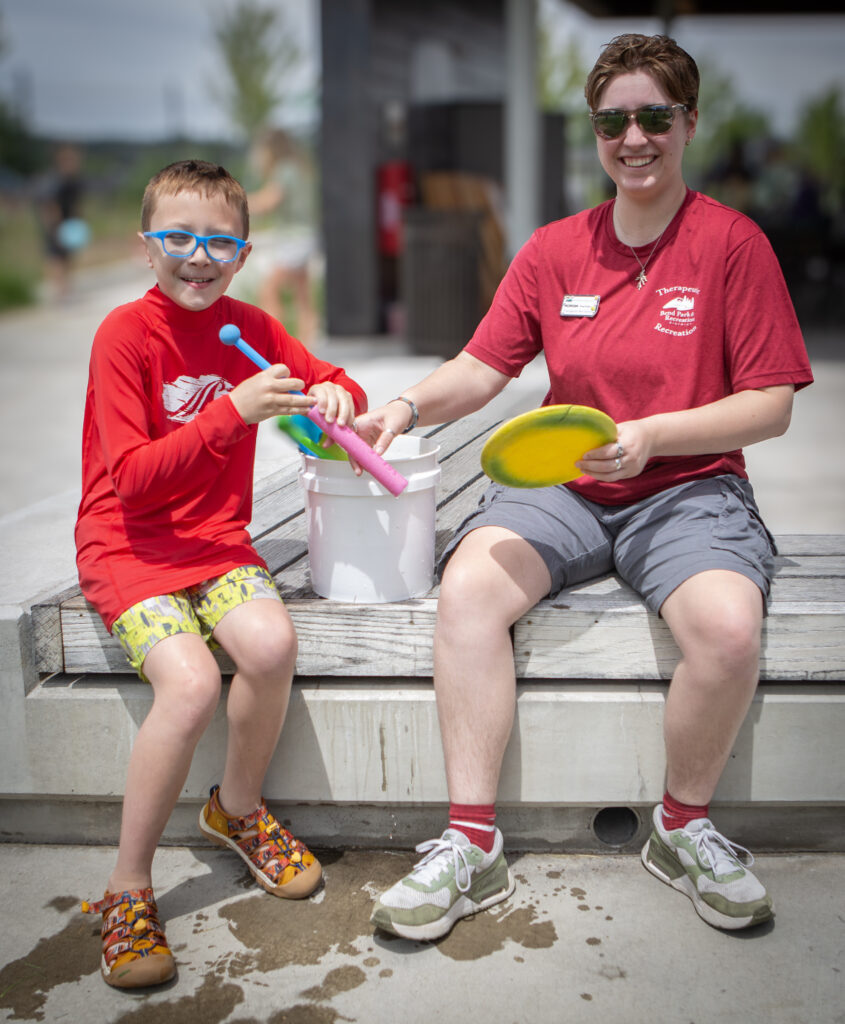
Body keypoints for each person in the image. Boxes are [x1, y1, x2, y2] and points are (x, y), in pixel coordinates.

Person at [356, 34, 813, 941]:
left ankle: (681, 827)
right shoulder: (554, 249)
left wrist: (652, 437)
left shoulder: (733, 243)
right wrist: (403, 408)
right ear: (595, 133)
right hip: (565, 487)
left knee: (725, 631)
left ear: (688, 122)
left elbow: (768, 406)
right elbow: (483, 367)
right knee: (470, 589)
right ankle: (471, 844)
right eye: (612, 120)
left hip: (689, 487)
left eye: (653, 117)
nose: (632, 137)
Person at [75, 159, 366, 988]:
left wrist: (337, 396)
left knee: (271, 647)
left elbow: (326, 377)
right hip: (126, 543)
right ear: (148, 245)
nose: (197, 257)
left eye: (219, 242)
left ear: (242, 254)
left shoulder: (251, 325)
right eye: (178, 237)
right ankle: (127, 885)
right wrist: (229, 413)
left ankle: (235, 811)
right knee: (192, 684)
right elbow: (130, 477)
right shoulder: (124, 336)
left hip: (214, 540)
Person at [247, 128, 320, 349]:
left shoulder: (284, 170)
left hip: (294, 239)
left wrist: (234, 201)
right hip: (304, 236)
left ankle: (273, 344)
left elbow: (270, 201)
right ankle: (306, 347)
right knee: (302, 295)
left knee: (269, 290)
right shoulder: (299, 168)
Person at [35, 142, 86, 302]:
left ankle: (65, 289)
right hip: (56, 226)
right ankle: (60, 292)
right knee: (56, 258)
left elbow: (76, 204)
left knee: (67, 257)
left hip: (68, 226)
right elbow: (50, 205)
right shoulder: (54, 181)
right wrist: (54, 228)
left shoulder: (72, 181)